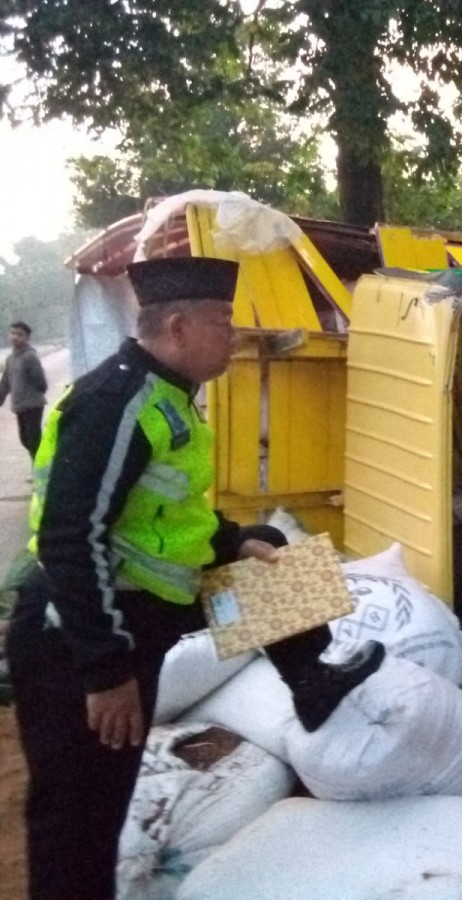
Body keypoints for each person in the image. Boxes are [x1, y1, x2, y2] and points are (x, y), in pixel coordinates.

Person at [5, 257, 384, 900]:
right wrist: (104, 671)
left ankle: (310, 679)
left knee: (273, 557)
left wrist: (237, 541)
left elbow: (166, 511)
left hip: (145, 610)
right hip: (81, 634)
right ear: (178, 327)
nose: (233, 334)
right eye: (223, 322)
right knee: (79, 816)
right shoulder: (116, 403)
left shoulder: (168, 395)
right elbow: (72, 538)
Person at [0, 320, 48, 461]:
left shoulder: (30, 357)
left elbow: (41, 381)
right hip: (20, 406)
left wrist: (33, 395)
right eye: (13, 333)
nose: (15, 337)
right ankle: (39, 466)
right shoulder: (10, 359)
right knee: (25, 439)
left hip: (33, 405)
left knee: (33, 439)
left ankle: (40, 471)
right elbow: (6, 383)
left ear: (27, 338)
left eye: (20, 334)